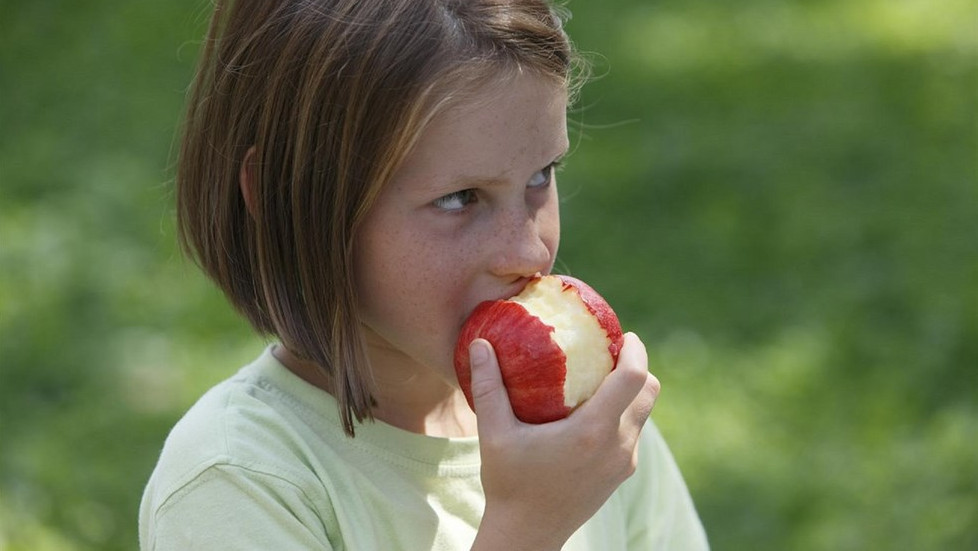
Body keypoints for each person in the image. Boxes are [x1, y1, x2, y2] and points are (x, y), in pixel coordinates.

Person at [139, 0, 709, 549]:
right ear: (287, 193)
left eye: (541, 174)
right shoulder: (241, 481)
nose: (530, 252)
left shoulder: (585, 425)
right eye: (460, 198)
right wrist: (528, 530)